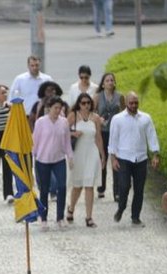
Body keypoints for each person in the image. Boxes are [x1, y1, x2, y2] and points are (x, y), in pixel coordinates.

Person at [108, 91, 160, 227]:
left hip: (141, 158)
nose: (134, 105)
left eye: (136, 102)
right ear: (125, 103)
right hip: (124, 158)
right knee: (124, 186)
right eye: (131, 102)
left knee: (139, 189)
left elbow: (152, 136)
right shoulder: (118, 119)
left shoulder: (146, 118)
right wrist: (113, 158)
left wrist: (155, 154)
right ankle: (121, 207)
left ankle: (135, 217)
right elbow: (113, 139)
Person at [32, 96, 73, 230]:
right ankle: (43, 218)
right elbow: (35, 141)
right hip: (43, 160)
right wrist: (34, 157)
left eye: (59, 108)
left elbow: (67, 141)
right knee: (44, 189)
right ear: (49, 108)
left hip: (59, 159)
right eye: (55, 108)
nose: (57, 110)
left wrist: (70, 157)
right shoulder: (40, 122)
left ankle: (60, 217)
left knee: (61, 187)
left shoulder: (64, 122)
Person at [66, 93, 105, 227]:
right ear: (78, 104)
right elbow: (62, 131)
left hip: (92, 151)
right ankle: (71, 208)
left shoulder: (95, 118)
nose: (86, 105)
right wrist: (73, 133)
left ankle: (89, 217)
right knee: (77, 185)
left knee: (89, 184)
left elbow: (98, 137)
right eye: (83, 103)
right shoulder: (73, 116)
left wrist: (102, 155)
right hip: (78, 152)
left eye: (88, 102)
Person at [93, 72, 125, 201]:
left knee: (116, 161)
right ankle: (101, 188)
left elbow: (124, 113)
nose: (110, 82)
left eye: (112, 80)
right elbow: (91, 112)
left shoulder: (120, 97)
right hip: (102, 132)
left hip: (116, 133)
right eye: (107, 80)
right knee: (102, 158)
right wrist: (97, 119)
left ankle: (117, 191)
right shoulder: (97, 97)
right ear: (103, 83)